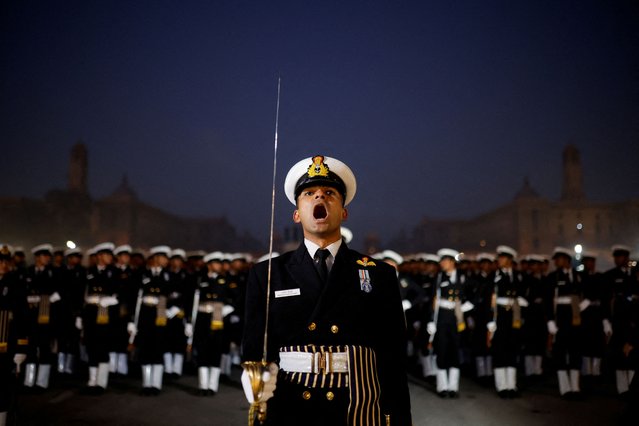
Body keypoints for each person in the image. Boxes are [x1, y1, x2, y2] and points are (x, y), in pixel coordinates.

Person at [242, 155, 412, 425]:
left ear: (344, 211)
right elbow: (254, 344)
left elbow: (393, 357)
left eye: (330, 193)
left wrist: (398, 417)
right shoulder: (267, 274)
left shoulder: (379, 274)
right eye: (309, 193)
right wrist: (255, 377)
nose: (320, 197)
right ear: (297, 213)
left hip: (357, 407)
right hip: (291, 407)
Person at [427, 248, 473, 398]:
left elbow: (477, 292)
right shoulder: (439, 277)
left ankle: (453, 387)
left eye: (444, 261)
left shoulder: (462, 277)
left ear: (452, 262)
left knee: (455, 350)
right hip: (442, 318)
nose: (441, 263)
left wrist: (468, 306)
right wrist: (430, 321)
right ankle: (442, 387)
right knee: (441, 350)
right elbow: (432, 300)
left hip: (456, 318)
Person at [0, 246, 28, 425]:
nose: (3, 265)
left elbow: (23, 318)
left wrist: (21, 348)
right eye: (0, 262)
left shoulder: (15, 284)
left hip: (4, 344)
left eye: (5, 261)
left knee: (1, 386)